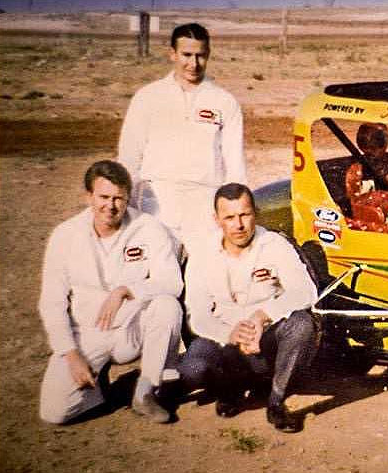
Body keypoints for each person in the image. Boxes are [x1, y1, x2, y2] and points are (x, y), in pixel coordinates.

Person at [38, 160, 183, 424]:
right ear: (88, 196)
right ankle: (102, 387)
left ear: (128, 198)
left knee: (167, 305)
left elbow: (173, 282)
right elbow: (51, 303)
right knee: (54, 412)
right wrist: (71, 355)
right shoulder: (65, 235)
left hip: (132, 328)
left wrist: (127, 290)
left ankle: (145, 390)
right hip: (88, 333)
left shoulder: (148, 228)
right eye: (104, 197)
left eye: (119, 198)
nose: (111, 206)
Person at [178, 183, 319, 432]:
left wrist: (263, 316)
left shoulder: (274, 244)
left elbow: (306, 291)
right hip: (224, 342)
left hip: (266, 341)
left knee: (302, 325)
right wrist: (229, 334)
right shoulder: (202, 253)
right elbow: (196, 313)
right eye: (229, 217)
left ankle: (276, 401)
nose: (239, 225)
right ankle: (228, 391)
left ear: (256, 213)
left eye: (245, 215)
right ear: (217, 219)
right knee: (193, 369)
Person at [117, 22, 245, 246]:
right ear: (172, 54)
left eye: (200, 56)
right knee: (156, 275)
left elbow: (235, 166)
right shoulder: (148, 97)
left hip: (204, 204)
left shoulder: (224, 101)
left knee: (204, 276)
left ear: (208, 54)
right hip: (155, 201)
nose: (193, 64)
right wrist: (128, 209)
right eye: (186, 54)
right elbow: (129, 157)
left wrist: (233, 212)